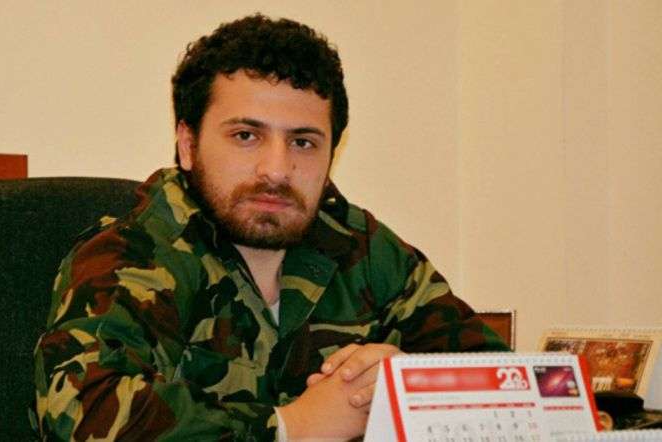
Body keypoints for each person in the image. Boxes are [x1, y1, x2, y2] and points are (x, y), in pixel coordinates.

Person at [33, 14, 508, 441]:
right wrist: (289, 427)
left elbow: (510, 390)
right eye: (246, 136)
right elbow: (83, 415)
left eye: (303, 143)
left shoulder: (362, 248)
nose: (277, 170)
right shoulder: (133, 256)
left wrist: (416, 388)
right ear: (188, 145)